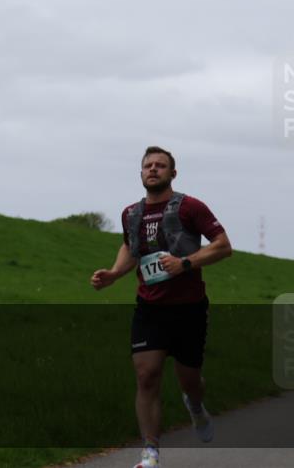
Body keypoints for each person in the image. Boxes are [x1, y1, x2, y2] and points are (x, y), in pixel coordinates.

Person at [90, 146, 232, 468]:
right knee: (146, 376)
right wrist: (114, 274)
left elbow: (223, 246)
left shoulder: (190, 207)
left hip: (189, 309)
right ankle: (150, 452)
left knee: (190, 381)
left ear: (172, 173)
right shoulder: (131, 214)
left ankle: (195, 406)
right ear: (141, 173)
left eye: (160, 165)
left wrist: (185, 263)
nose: (153, 169)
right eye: (148, 166)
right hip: (150, 308)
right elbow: (131, 247)